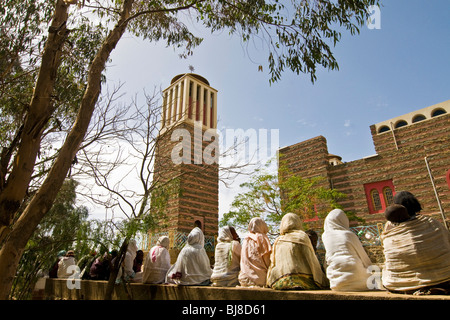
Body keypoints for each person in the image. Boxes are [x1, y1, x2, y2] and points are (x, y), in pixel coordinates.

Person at [381, 191, 450, 295]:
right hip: (445, 277)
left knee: (385, 270)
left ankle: (414, 287)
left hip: (402, 284)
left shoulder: (389, 231)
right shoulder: (432, 222)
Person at [267, 213, 329, 290]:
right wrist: (321, 279)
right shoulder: (301, 236)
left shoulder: (278, 240)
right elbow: (311, 260)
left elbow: (273, 264)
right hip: (303, 282)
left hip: (280, 282)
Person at [322, 209, 376, 291]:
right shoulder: (348, 234)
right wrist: (371, 268)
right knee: (373, 281)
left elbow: (327, 257)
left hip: (336, 282)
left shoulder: (325, 236)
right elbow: (363, 256)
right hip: (357, 276)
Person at [238, 217, 271, 287]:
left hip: (244, 278)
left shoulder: (246, 239)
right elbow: (267, 258)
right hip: (259, 279)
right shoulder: (261, 237)